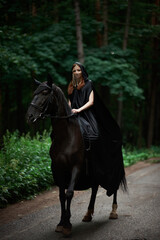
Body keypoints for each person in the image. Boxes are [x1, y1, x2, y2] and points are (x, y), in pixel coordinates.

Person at [68, 62, 126, 196]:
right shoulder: (71, 86)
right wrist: (69, 110)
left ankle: (97, 163)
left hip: (87, 115)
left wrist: (79, 109)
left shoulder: (88, 84)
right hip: (74, 114)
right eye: (74, 71)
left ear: (82, 71)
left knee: (94, 136)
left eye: (78, 70)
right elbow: (70, 101)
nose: (76, 72)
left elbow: (91, 101)